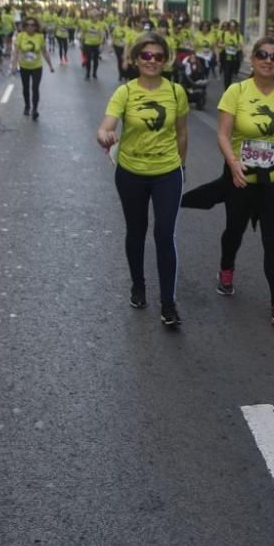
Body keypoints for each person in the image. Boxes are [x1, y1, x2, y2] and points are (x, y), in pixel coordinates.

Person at [96, 32, 188, 328]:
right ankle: (138, 284)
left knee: (165, 234)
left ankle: (168, 303)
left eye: (158, 56)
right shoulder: (125, 92)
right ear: (136, 59)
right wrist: (105, 136)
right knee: (136, 231)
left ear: (165, 60)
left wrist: (181, 167)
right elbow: (105, 126)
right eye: (146, 56)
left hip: (167, 173)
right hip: (131, 173)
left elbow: (182, 133)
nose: (152, 61)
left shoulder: (176, 92)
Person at [214, 37, 274, 325]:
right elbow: (224, 134)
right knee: (234, 231)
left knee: (273, 241)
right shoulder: (236, 91)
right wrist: (232, 162)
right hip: (241, 176)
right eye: (262, 55)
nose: (268, 60)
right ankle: (226, 268)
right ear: (252, 60)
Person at [12, 17, 54, 120]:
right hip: (24, 66)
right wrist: (14, 65)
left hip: (37, 66)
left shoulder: (40, 37)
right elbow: (16, 51)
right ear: (24, 26)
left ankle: (35, 109)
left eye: (32, 25)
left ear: (36, 27)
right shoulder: (21, 36)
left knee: (35, 88)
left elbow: (44, 52)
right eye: (28, 25)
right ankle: (27, 106)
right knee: (25, 87)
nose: (30, 27)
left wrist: (50, 65)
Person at [80, 9, 105, 80]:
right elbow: (83, 33)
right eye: (95, 16)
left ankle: (94, 73)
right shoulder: (86, 23)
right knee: (88, 58)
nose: (97, 17)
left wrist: (101, 44)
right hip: (88, 43)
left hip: (96, 44)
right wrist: (81, 43)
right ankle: (88, 73)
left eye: (98, 16)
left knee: (96, 60)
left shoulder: (100, 24)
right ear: (91, 16)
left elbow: (102, 34)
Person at [219, 20, 243, 89]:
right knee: (227, 74)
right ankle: (226, 89)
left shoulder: (238, 35)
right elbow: (219, 44)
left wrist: (237, 47)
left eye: (234, 26)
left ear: (236, 27)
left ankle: (230, 85)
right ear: (228, 27)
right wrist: (224, 45)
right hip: (226, 57)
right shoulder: (224, 34)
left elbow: (241, 46)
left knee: (231, 73)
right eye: (230, 26)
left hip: (234, 57)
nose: (232, 28)